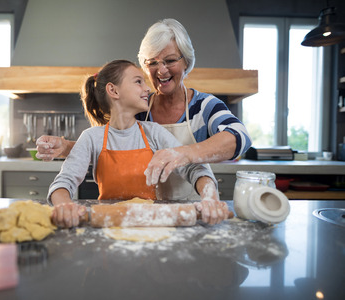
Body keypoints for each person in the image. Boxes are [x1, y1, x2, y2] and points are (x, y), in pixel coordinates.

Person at [38, 18, 251, 221]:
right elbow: (113, 143)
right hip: (145, 215)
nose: (161, 70)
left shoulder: (204, 106)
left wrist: (182, 154)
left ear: (185, 62)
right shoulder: (139, 108)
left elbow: (239, 137)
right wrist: (67, 147)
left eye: (170, 60)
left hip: (189, 213)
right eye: (152, 63)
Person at [47, 60, 227, 228]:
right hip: (109, 222)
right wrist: (65, 205)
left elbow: (193, 168)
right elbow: (64, 181)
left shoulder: (154, 132)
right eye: (138, 82)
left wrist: (209, 197)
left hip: (150, 222)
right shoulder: (91, 138)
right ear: (114, 91)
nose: (147, 88)